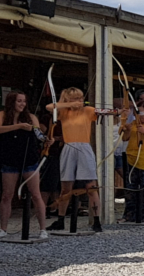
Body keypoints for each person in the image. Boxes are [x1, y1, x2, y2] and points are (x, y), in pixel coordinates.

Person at [46, 87, 121, 233]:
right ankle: (60, 220)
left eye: (80, 98)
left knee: (91, 187)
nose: (79, 101)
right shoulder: (63, 112)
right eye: (75, 98)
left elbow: (106, 112)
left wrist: (119, 112)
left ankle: (97, 221)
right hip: (69, 148)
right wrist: (68, 105)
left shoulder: (87, 110)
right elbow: (49, 107)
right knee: (65, 188)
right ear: (67, 100)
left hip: (84, 148)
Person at [0, 90, 49, 239]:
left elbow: (39, 135)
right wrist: (18, 127)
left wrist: (47, 140)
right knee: (7, 195)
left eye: (24, 101)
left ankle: (43, 229)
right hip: (10, 159)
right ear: (12, 102)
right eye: (19, 101)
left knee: (36, 194)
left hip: (29, 159)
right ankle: (3, 229)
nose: (22, 104)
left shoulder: (31, 117)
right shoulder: (2, 115)